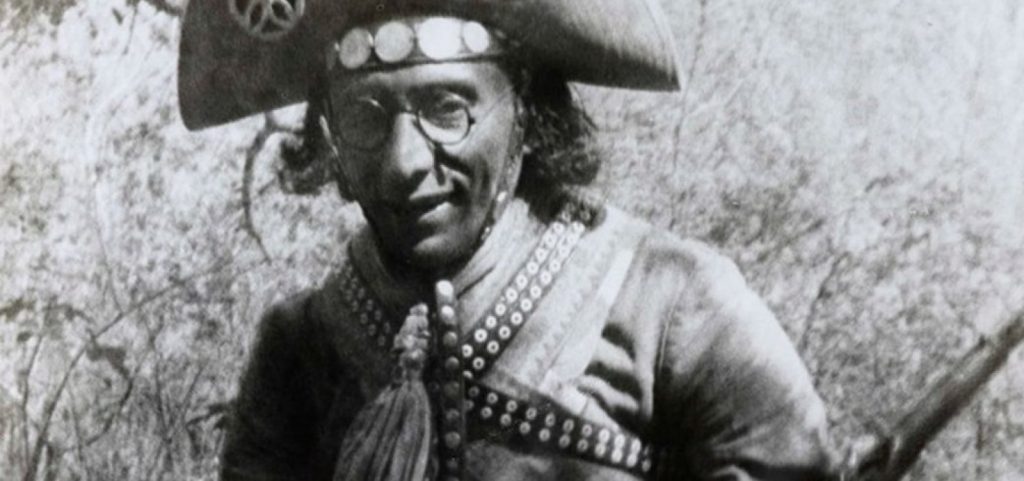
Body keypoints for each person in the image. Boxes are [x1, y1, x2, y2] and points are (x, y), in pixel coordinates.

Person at [178, 0, 839, 479]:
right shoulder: (300, 348)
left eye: (447, 108)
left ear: (524, 108)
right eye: (364, 119)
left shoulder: (674, 305)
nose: (404, 161)